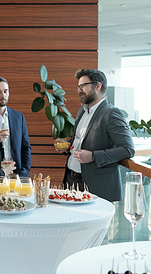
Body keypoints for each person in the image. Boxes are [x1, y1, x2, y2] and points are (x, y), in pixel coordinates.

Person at [54, 68, 135, 202]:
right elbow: (80, 142)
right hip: (70, 180)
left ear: (98, 86)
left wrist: (92, 156)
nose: (79, 90)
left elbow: (128, 149)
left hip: (95, 185)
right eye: (78, 87)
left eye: (83, 86)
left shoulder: (112, 113)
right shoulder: (82, 110)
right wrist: (67, 146)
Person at [0, 77, 31, 177]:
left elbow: (26, 147)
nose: (3, 95)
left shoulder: (18, 117)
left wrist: (25, 172)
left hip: (17, 174)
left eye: (5, 91)